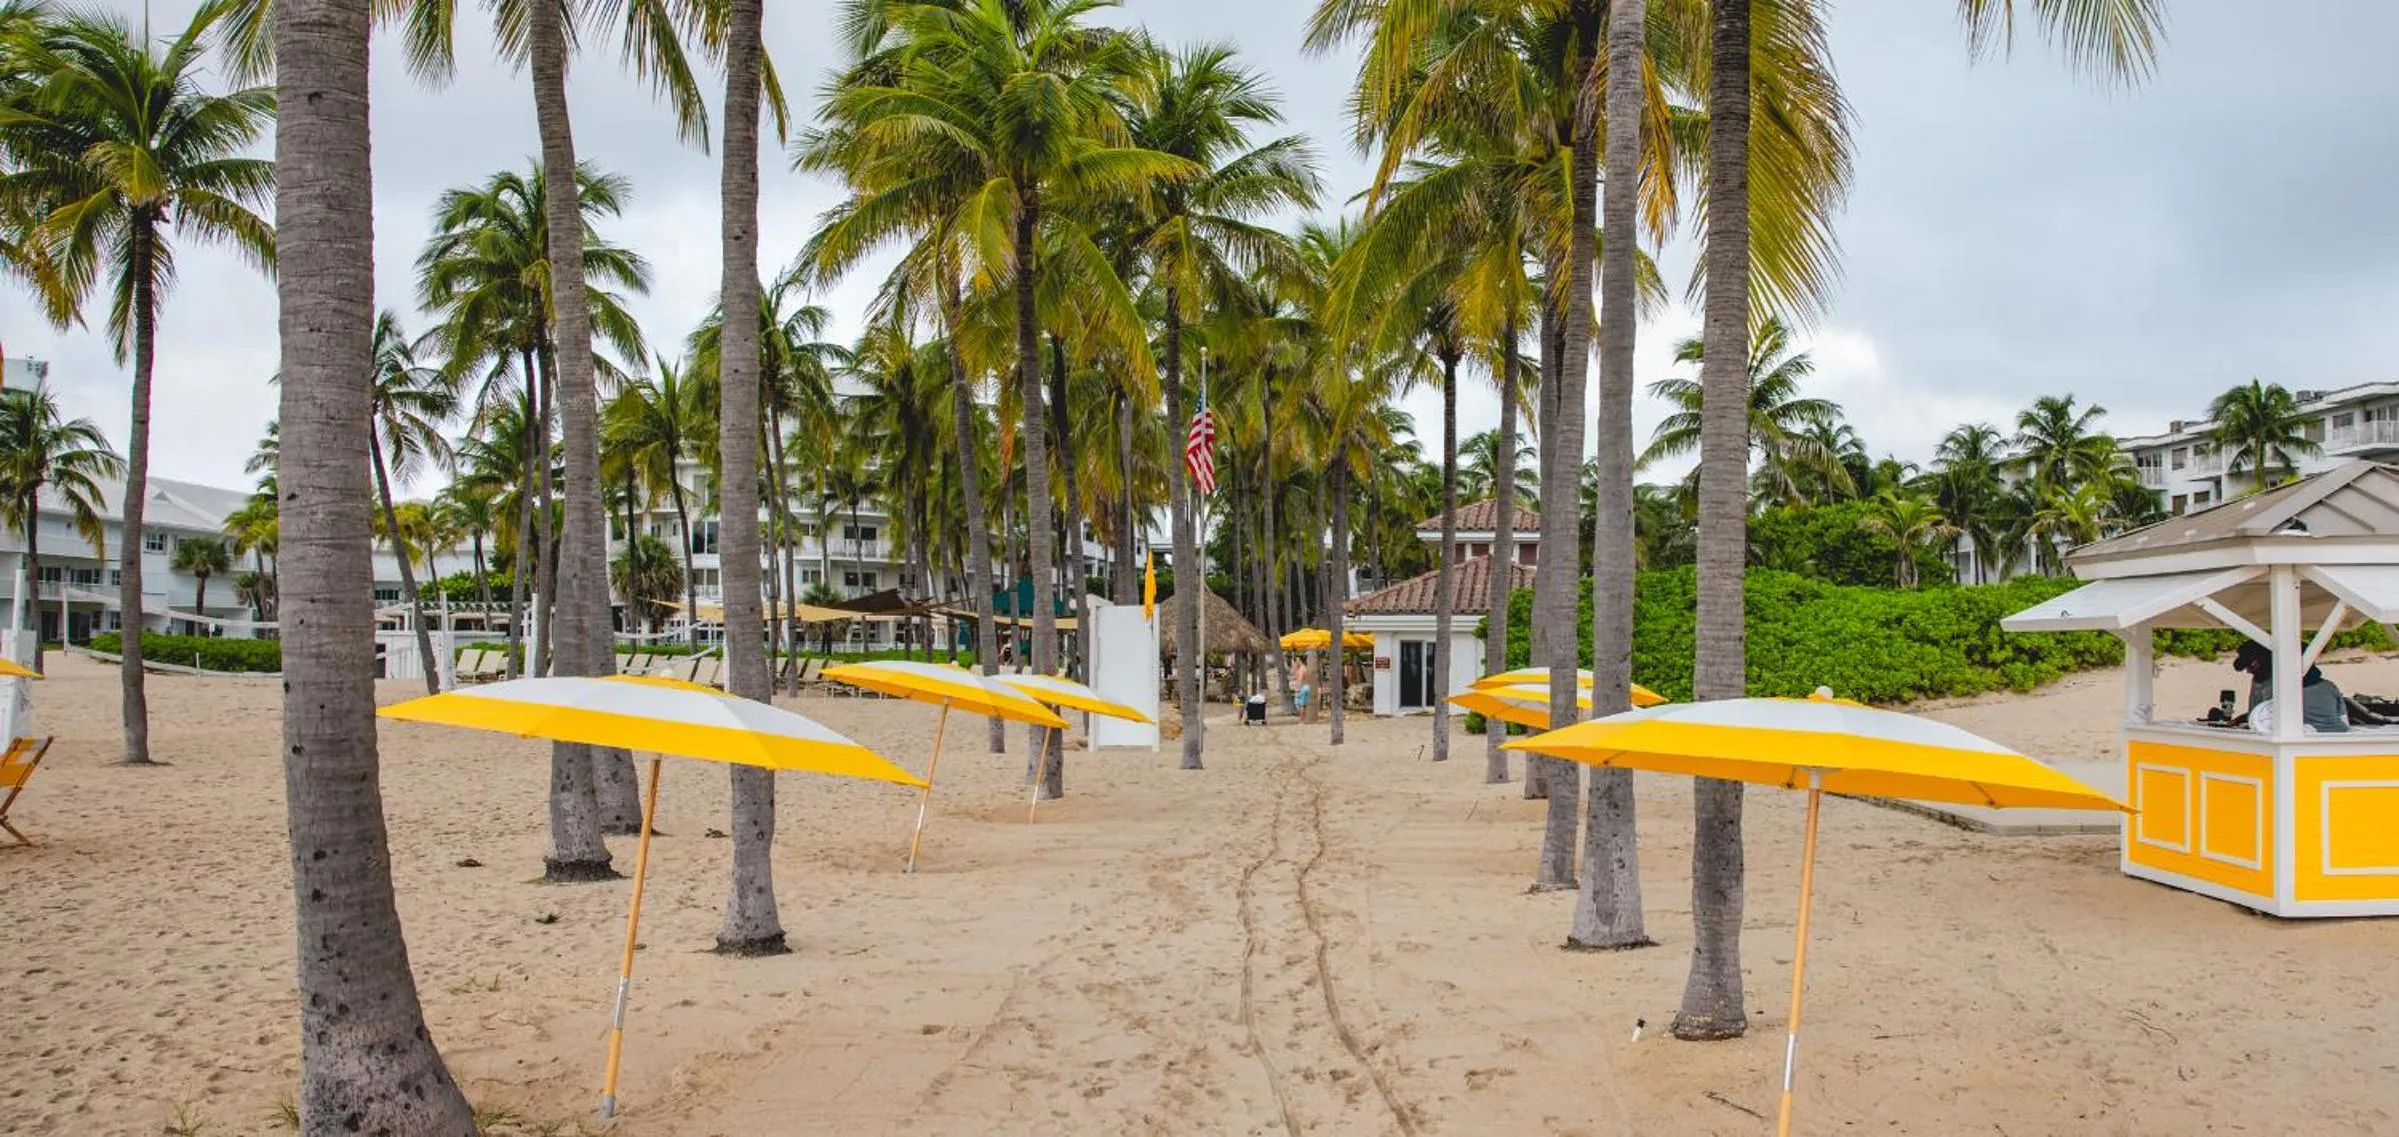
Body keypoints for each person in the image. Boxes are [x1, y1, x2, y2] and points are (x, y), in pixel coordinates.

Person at [2231, 640, 2350, 733]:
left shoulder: (2273, 690)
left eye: (2251, 666)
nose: (2248, 671)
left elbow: (2258, 720)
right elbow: (2344, 719)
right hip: (2337, 735)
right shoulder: (2329, 686)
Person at [1293, 656, 1315, 724]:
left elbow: (1300, 679)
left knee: (1299, 704)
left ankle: (1301, 720)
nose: (1296, 662)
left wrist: (1297, 689)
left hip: (1302, 687)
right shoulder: (1306, 668)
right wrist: (1295, 668)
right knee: (1304, 705)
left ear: (1300, 661)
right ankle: (1304, 719)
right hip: (1307, 686)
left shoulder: (1302, 669)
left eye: (1297, 661)